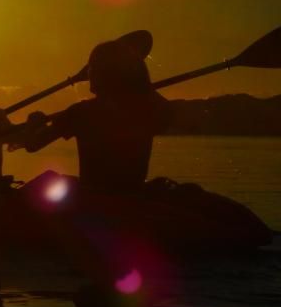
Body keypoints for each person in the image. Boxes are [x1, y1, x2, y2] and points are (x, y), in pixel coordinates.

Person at [22, 31, 171, 194]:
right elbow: (165, 111)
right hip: (133, 197)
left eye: (92, 67)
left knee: (46, 182)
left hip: (94, 199)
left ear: (102, 73)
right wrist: (142, 87)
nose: (88, 74)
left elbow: (32, 144)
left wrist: (33, 123)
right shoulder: (148, 110)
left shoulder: (80, 113)